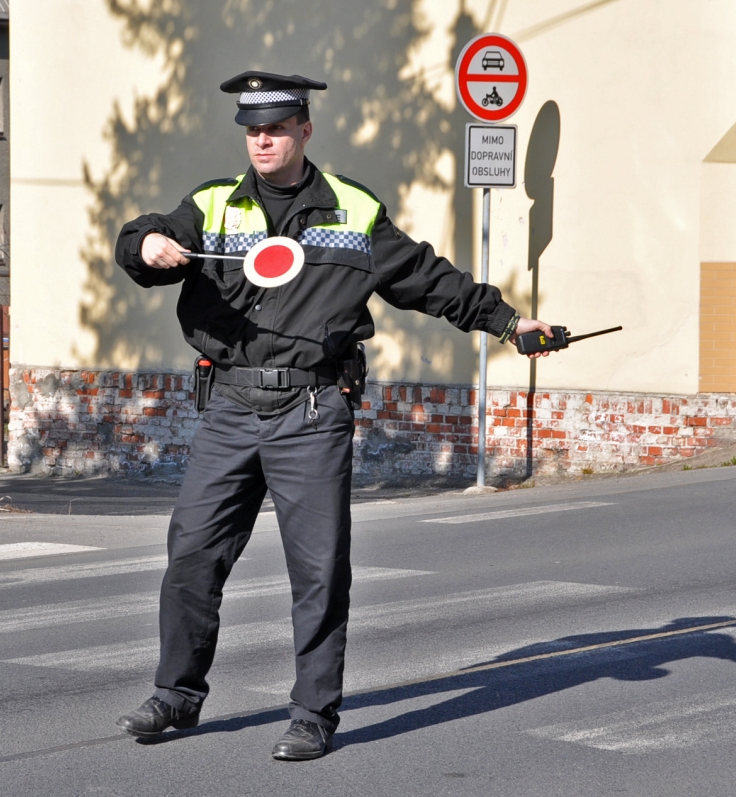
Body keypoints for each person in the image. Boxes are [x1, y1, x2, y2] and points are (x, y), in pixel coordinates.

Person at [113, 71, 552, 761]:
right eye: (253, 130)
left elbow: (430, 279)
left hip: (313, 410)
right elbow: (146, 239)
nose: (262, 139)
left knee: (318, 570)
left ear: (304, 129)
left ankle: (314, 713)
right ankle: (177, 692)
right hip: (229, 405)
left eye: (277, 127)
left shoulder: (352, 210)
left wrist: (509, 321)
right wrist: (143, 245)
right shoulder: (213, 207)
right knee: (191, 554)